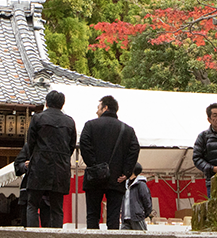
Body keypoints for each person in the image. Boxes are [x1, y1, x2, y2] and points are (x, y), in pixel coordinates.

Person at [79, 95, 140, 230]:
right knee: (113, 217)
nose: (97, 111)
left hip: (94, 177)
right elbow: (134, 149)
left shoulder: (90, 125)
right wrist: (126, 171)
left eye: (98, 107)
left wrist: (94, 165)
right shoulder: (127, 130)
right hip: (117, 177)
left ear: (105, 107)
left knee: (93, 215)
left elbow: (84, 144)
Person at [26, 90, 76, 228]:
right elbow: (71, 146)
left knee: (32, 204)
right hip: (60, 167)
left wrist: (36, 156)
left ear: (46, 103)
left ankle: (32, 235)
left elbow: (30, 143)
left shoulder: (38, 118)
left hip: (39, 165)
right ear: (62, 104)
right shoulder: (69, 122)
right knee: (57, 207)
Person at [192, 102, 217, 198]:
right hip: (212, 181)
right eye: (215, 116)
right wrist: (213, 169)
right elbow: (197, 158)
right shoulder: (203, 137)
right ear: (209, 119)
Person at [121, 163, 152, 230]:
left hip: (137, 217)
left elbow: (146, 200)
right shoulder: (125, 184)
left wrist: (143, 214)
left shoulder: (141, 184)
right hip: (125, 218)